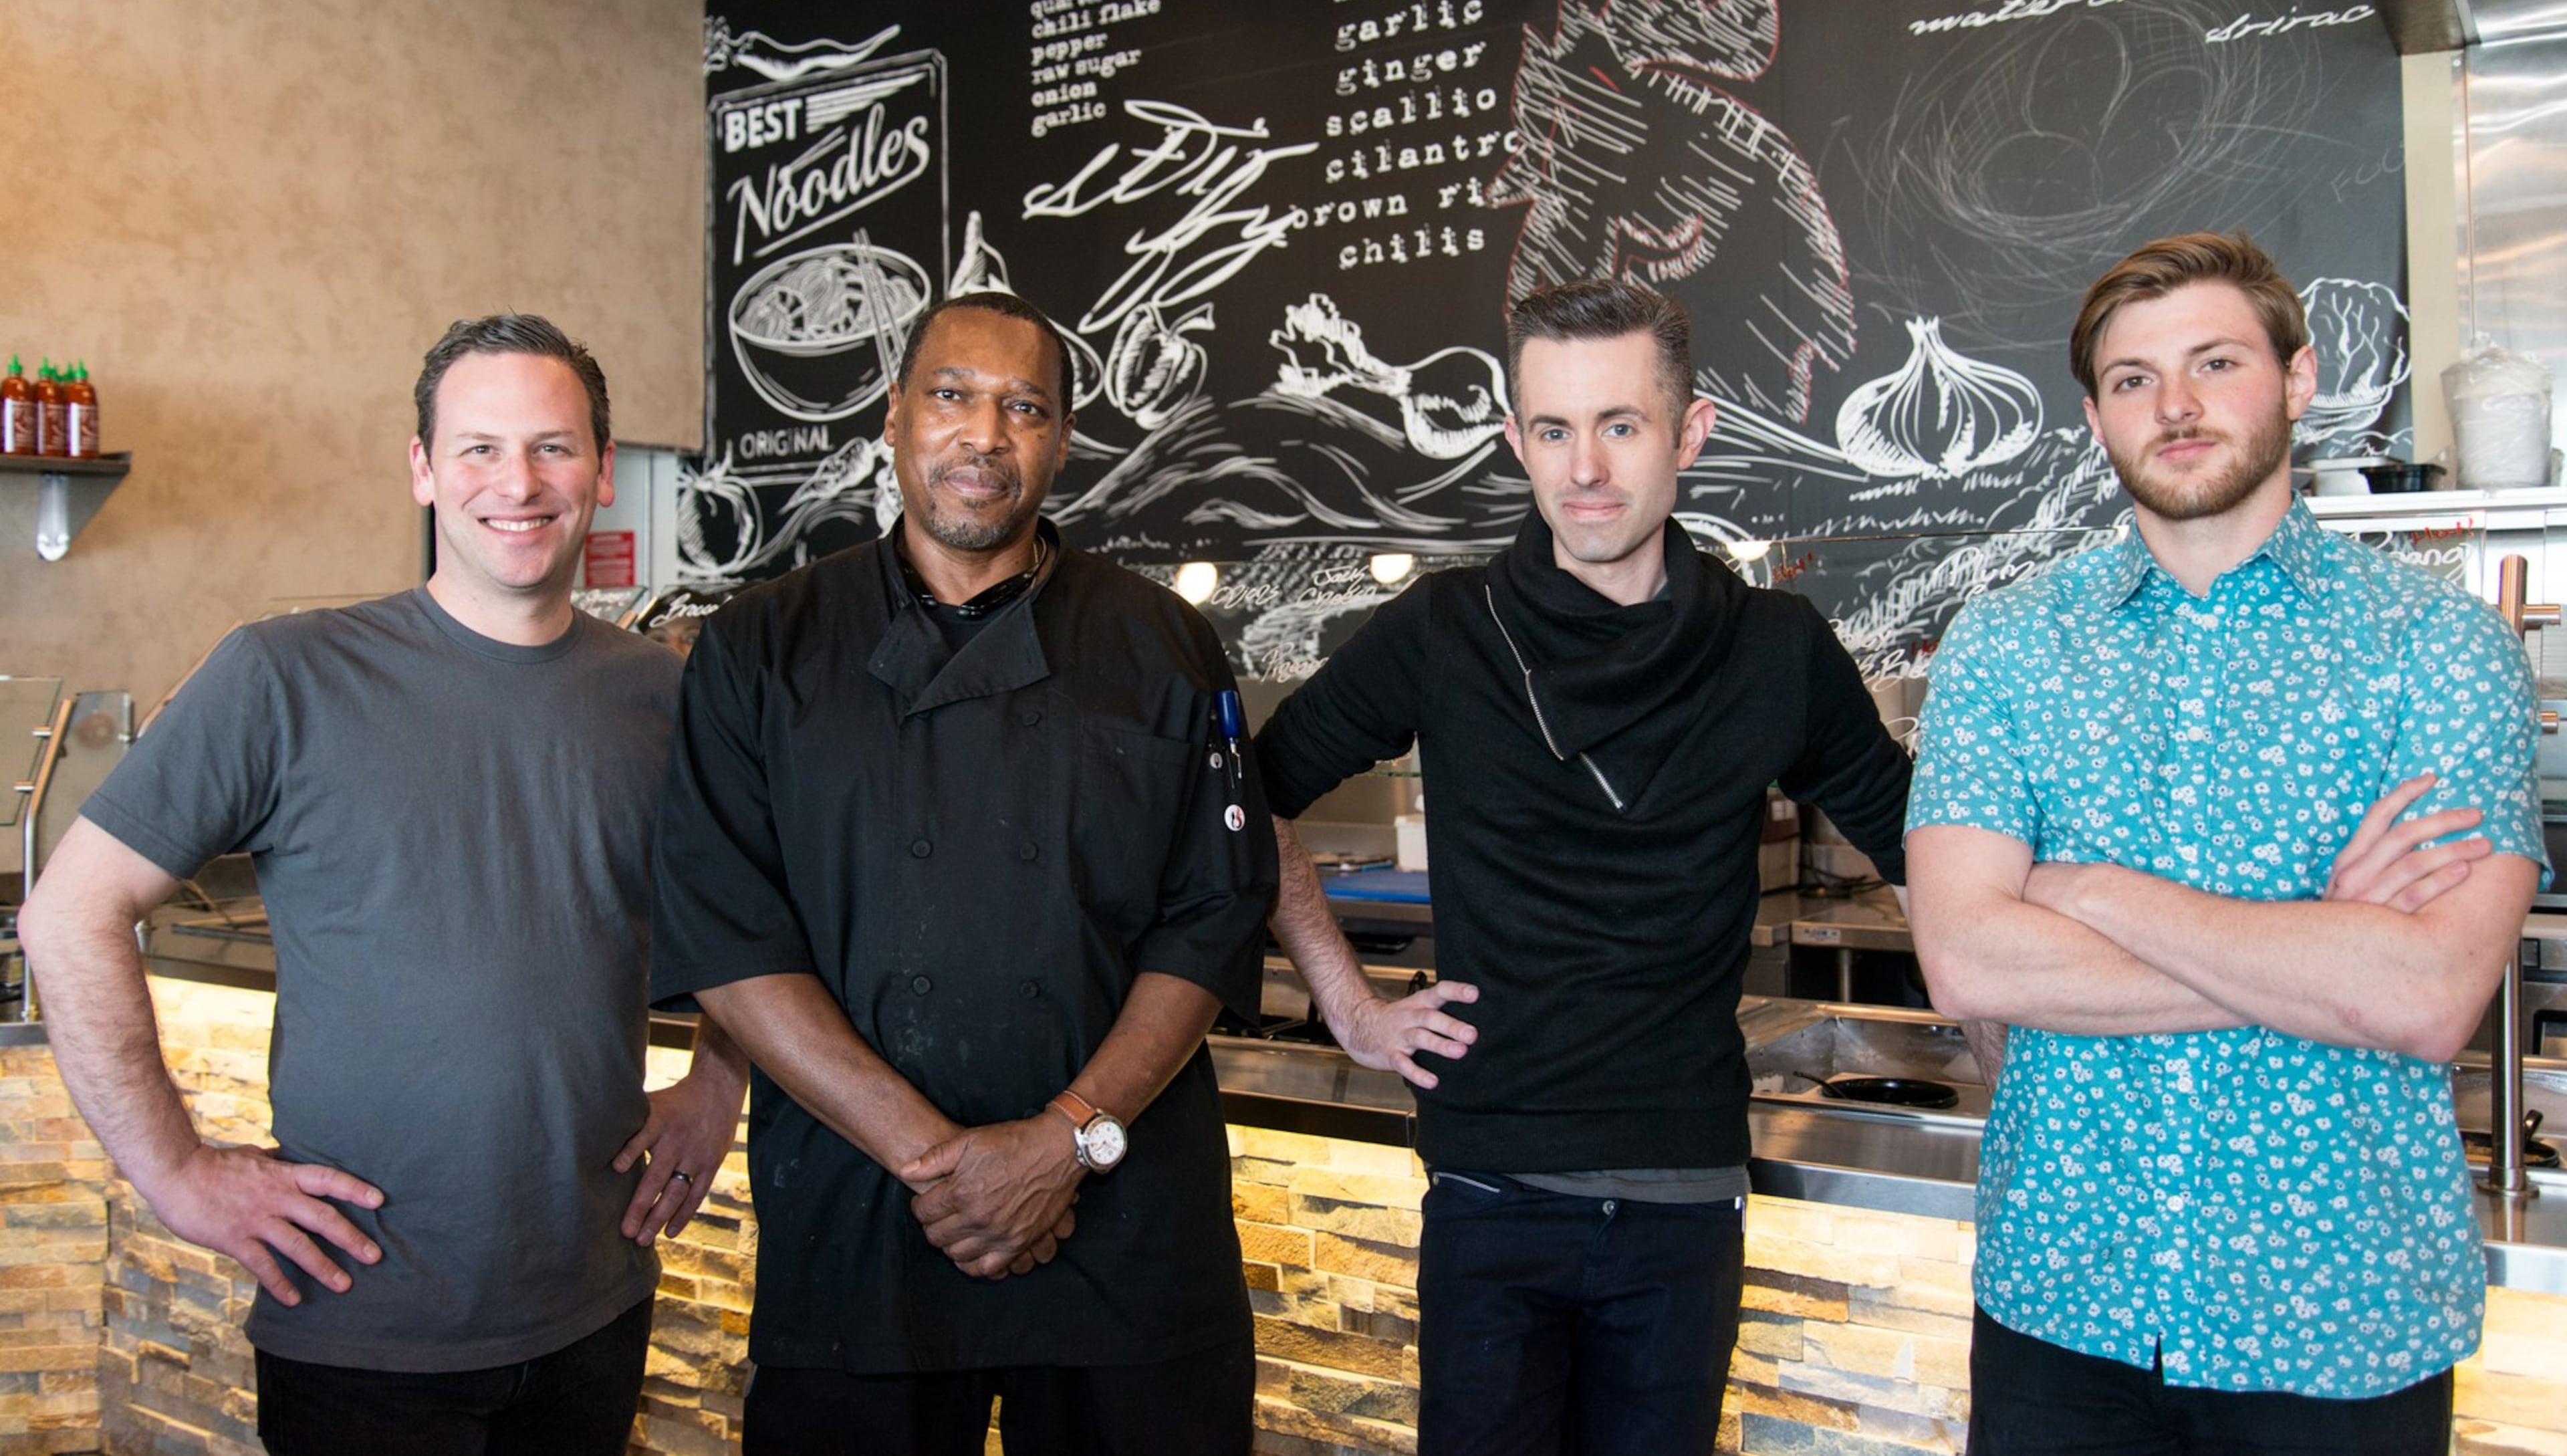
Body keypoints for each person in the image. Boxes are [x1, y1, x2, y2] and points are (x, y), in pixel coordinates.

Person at [19, 314, 751, 1455]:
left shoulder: (661, 697)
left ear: (603, 472)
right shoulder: (283, 675)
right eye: (479, 448)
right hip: (363, 1328)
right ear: (422, 469)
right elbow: (69, 911)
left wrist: (717, 1082)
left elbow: (755, 911)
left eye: (554, 447)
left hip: (595, 1306)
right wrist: (174, 1173)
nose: (519, 481)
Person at [1905, 232, 2543, 1454]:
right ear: (2095, 417)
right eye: (2136, 380)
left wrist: (2079, 888)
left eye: (2215, 363)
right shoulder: (2006, 644)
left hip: (2344, 1323)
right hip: (2063, 1317)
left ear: (2297, 382)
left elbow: (2422, 998)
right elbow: (1972, 964)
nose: (2178, 406)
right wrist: (2320, 956)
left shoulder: (2440, 648)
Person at [1255, 279, 1915, 1456]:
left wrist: (2002, 1015)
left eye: (1621, 425)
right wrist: (1349, 1006)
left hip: (1685, 1199)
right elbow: (1244, 800)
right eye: (1553, 431)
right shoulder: (1444, 631)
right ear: (1517, 441)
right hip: (1491, 1195)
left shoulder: (1779, 649)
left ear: (1689, 434)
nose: (1586, 468)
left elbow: (1924, 843)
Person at [648, 290, 1274, 1456]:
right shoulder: (760, 646)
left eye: (1023, 407)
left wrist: (1061, 1143)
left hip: (1126, 1231)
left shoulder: (1162, 642)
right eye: (951, 396)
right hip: (864, 1222)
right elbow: (734, 939)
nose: (984, 435)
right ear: (892, 418)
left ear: (1061, 441)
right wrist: (947, 1168)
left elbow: (1214, 912)